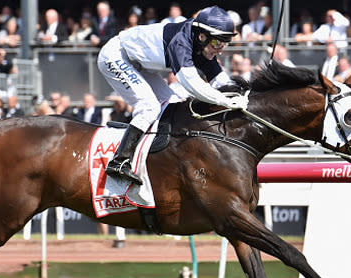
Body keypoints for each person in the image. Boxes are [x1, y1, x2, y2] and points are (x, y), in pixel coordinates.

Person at [97, 6, 247, 185]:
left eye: (224, 44)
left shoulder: (201, 42)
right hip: (115, 56)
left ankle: (156, 155)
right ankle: (120, 161)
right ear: (202, 36)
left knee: (174, 103)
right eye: (217, 43)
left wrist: (245, 95)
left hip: (139, 64)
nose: (220, 50)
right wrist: (226, 101)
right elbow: (192, 85)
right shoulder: (181, 42)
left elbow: (222, 81)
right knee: (149, 106)